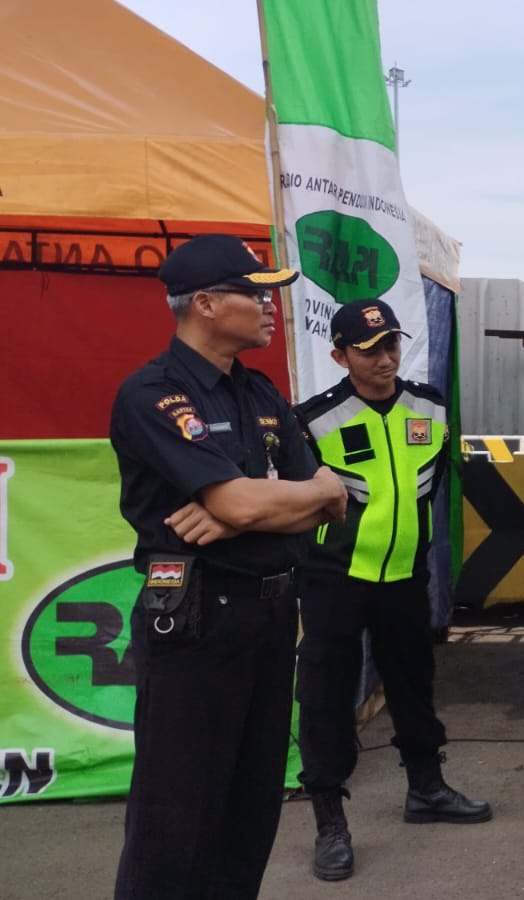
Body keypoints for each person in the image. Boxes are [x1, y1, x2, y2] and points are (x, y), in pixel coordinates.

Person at [109, 233, 348, 898]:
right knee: (176, 817)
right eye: (255, 292)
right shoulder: (153, 393)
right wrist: (262, 502)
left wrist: (249, 509)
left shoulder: (261, 392)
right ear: (206, 304)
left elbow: (332, 498)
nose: (271, 306)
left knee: (251, 807)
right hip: (195, 622)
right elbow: (258, 499)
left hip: (270, 618)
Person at [291, 299, 491, 882]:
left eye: (391, 344)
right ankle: (330, 822)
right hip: (335, 581)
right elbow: (297, 503)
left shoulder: (430, 405)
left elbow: (433, 486)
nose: (385, 358)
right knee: (327, 698)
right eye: (369, 349)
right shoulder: (314, 419)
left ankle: (426, 789)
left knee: (413, 685)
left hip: (405, 577)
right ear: (340, 356)